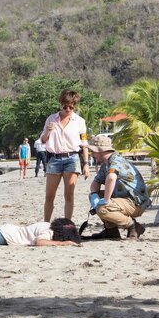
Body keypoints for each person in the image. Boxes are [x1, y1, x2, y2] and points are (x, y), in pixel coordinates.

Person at [87, 135, 151, 240]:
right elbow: (96, 182)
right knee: (95, 196)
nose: (92, 154)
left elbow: (111, 178)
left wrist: (106, 200)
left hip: (135, 203)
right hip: (126, 200)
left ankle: (133, 226)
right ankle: (111, 231)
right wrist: (94, 195)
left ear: (100, 151)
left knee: (103, 208)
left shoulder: (116, 161)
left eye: (93, 151)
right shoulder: (106, 163)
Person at [40, 89, 90, 222]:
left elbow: (84, 144)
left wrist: (86, 164)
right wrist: (48, 131)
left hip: (72, 159)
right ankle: (46, 224)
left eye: (71, 106)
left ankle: (68, 224)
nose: (68, 109)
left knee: (69, 195)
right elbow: (43, 140)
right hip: (54, 158)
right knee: (49, 196)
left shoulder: (79, 121)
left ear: (75, 105)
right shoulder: (51, 119)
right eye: (65, 106)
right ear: (61, 104)